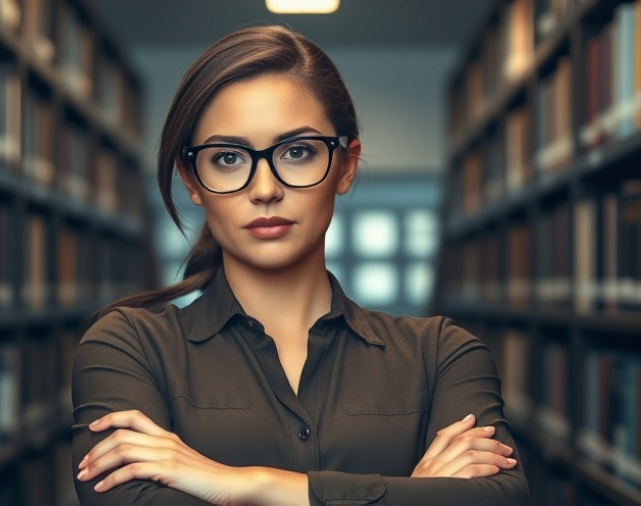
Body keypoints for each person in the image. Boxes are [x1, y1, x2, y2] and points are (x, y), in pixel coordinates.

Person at [71, 25, 529, 505]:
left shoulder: (442, 356)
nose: (264, 188)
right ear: (192, 180)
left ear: (345, 166)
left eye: (296, 152)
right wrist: (414, 494)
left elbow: (500, 500)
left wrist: (249, 486)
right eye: (228, 157)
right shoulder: (127, 348)